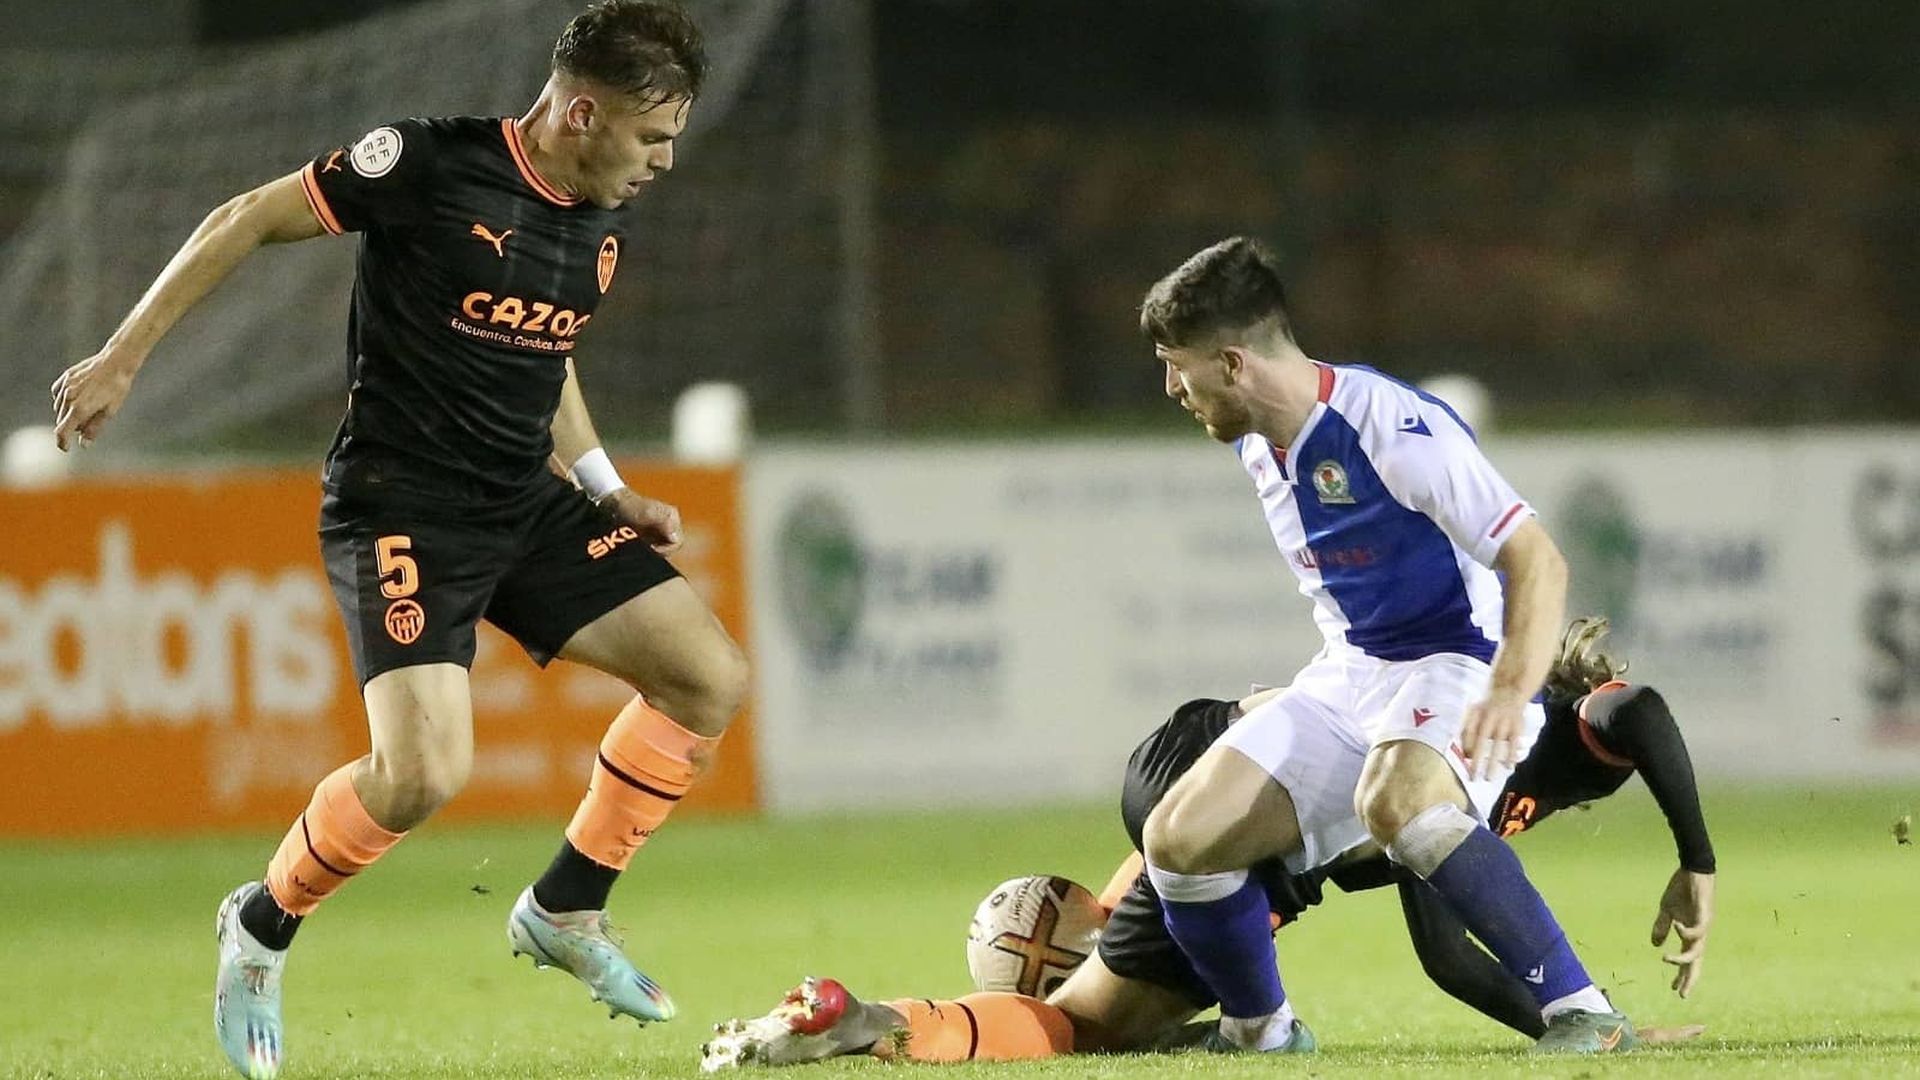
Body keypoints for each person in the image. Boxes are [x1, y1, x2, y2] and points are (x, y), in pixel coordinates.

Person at [47, 5, 747, 1078]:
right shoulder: (426, 163)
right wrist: (122, 355)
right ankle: (262, 924)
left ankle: (566, 909)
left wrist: (605, 486)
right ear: (579, 110)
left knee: (707, 676)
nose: (665, 161)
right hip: (403, 506)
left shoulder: (595, 220)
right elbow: (242, 217)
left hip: (525, 500)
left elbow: (543, 350)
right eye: (653, 137)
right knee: (421, 775)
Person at [698, 618, 1715, 1069]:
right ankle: (1244, 1025)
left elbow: (1447, 957)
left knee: (1095, 1020)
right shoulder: (1545, 726)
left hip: (1213, 766)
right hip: (1248, 794)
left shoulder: (1436, 786)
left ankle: (859, 1020)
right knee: (1090, 1031)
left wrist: (1563, 1024)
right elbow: (1639, 708)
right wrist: (1695, 860)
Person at [1132, 236, 1632, 1054]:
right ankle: (1263, 1033)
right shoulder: (1262, 439)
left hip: (1456, 657)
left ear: (1230, 362)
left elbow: (1537, 556)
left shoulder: (1394, 431)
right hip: (1352, 671)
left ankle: (1583, 1011)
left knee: (1398, 803)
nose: (1169, 387)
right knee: (1179, 840)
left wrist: (1511, 687)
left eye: (1174, 364)